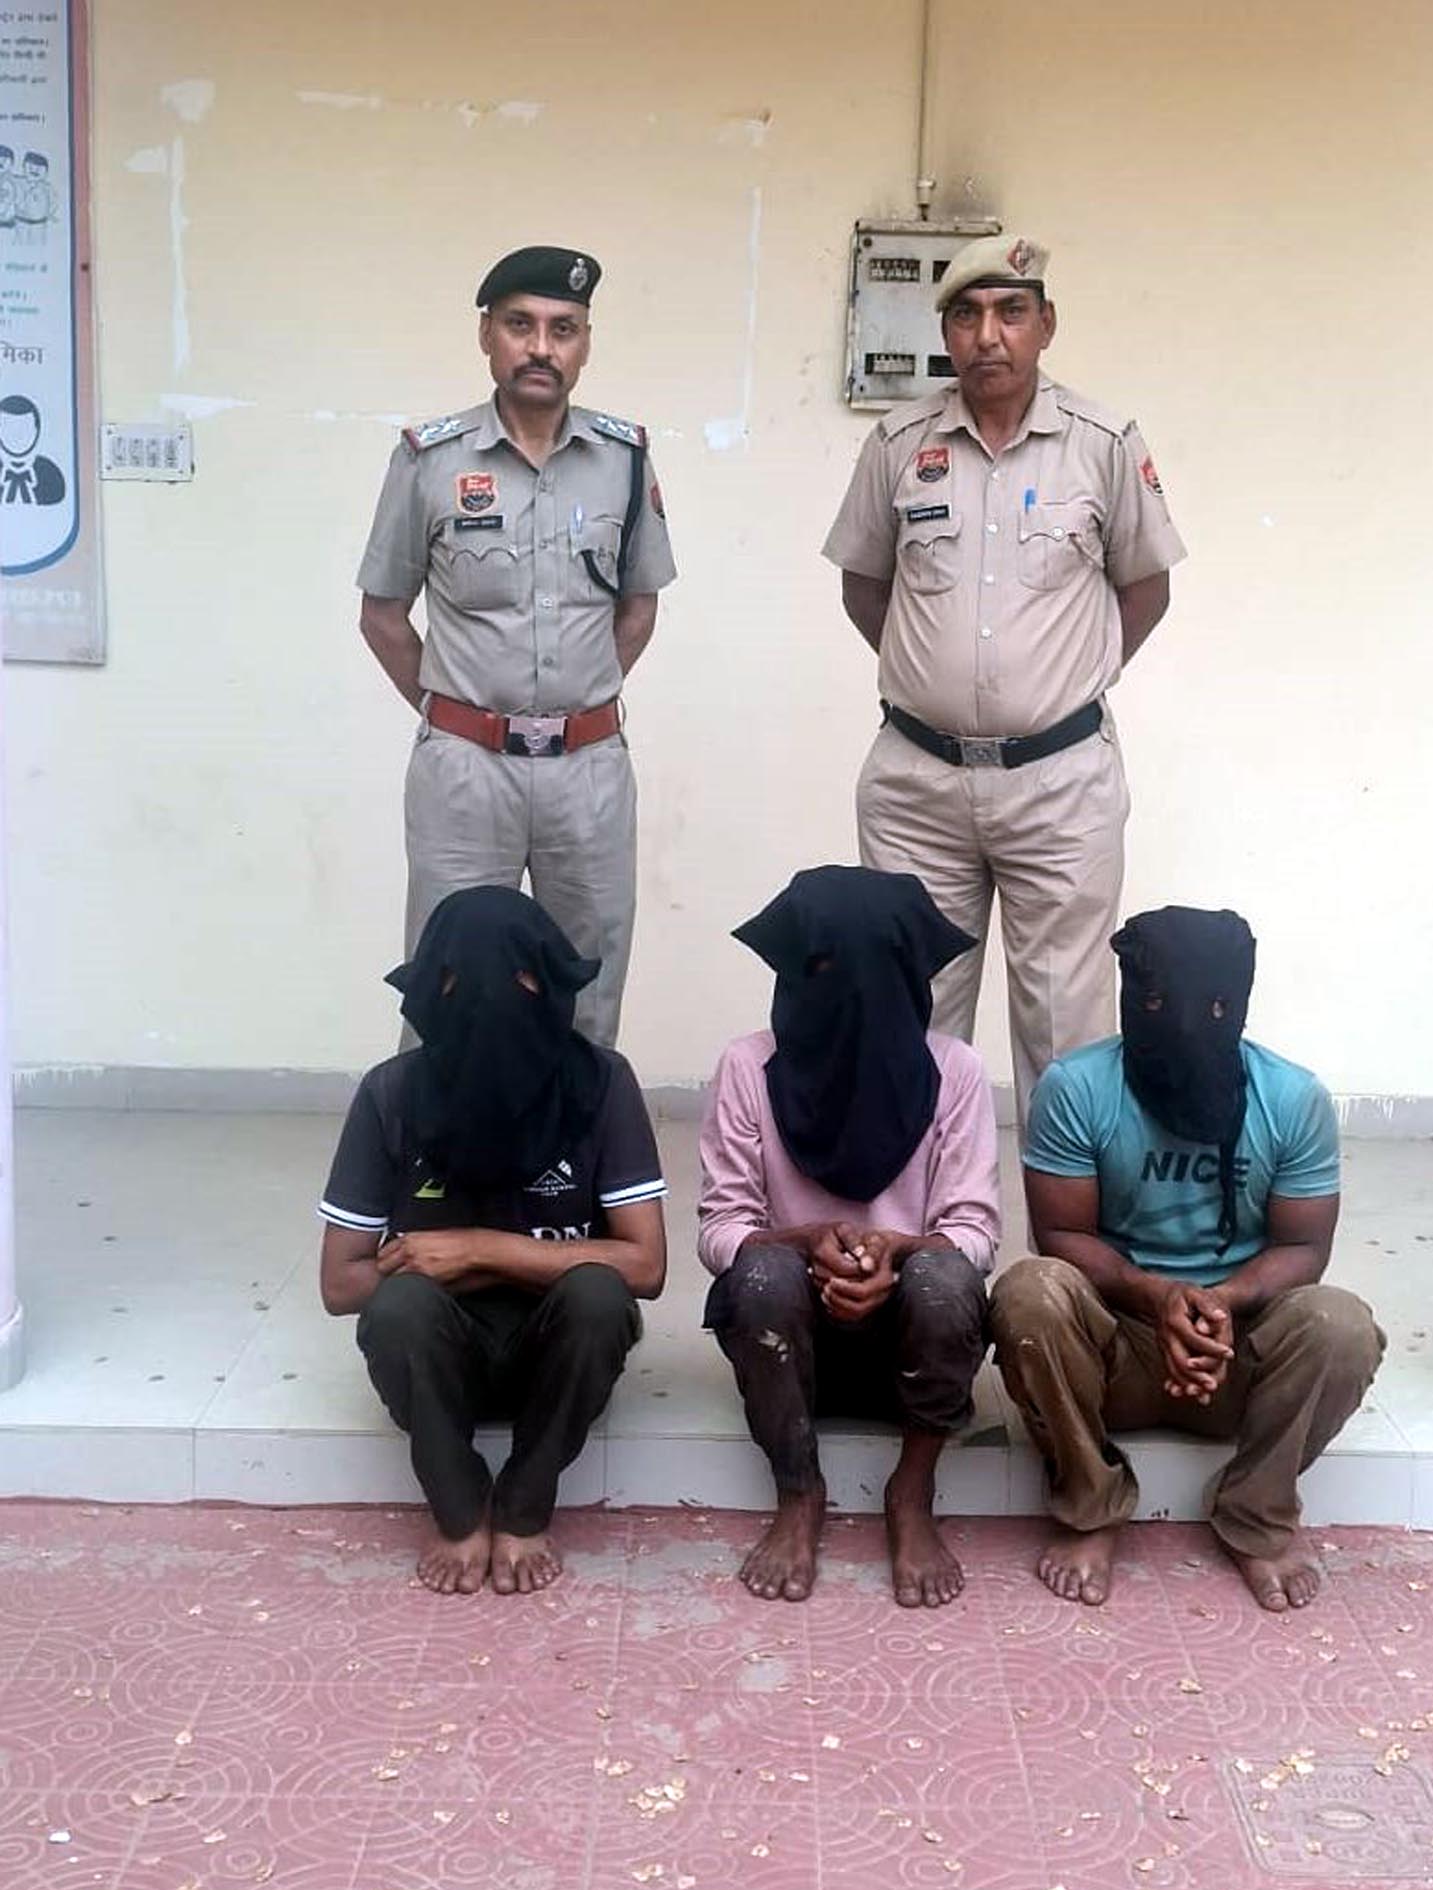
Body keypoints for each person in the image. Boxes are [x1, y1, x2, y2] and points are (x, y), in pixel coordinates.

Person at [823, 231, 1186, 1134]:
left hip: (1059, 787)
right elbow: (865, 587)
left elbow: (1145, 588)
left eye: (1010, 312)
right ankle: (921, 1220)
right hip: (918, 787)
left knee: (1065, 1032)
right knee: (909, 1020)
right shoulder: (898, 444)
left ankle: (1064, 1228)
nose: (988, 335)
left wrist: (1062, 687)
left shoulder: (1102, 444)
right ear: (945, 332)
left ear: (1044, 325)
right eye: (967, 315)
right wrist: (933, 683)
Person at [988, 906, 1385, 1612]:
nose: (1179, 1024)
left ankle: (1257, 1515)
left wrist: (1220, 1303)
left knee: (1341, 1325)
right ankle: (1091, 1504)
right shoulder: (1077, 1087)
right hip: (1115, 1342)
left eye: (1211, 1007)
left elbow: (1303, 1247)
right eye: (1151, 1003)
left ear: (1236, 1004)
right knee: (1029, 1292)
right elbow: (1060, 1234)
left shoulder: (1291, 1097)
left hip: (1237, 1347)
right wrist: (1158, 1297)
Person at [357, 245, 676, 1048]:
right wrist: (457, 711)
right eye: (519, 325)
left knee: (588, 986)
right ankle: (435, 1133)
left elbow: (639, 606)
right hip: (465, 775)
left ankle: (577, 1130)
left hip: (589, 772)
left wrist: (576, 700)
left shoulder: (624, 460)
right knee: (447, 982)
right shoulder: (429, 460)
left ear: (585, 343)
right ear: (485, 335)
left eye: (562, 329)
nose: (540, 347)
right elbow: (383, 615)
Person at [317, 886, 667, 1595]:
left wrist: (479, 1251)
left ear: (549, 984)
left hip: (557, 1354)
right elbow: (340, 1283)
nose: (491, 997)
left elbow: (645, 1266)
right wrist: (433, 1274)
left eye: (520, 977)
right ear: (431, 993)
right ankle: (458, 1510)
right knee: (399, 1308)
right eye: (459, 980)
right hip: (440, 1360)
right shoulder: (392, 1093)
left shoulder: (601, 1083)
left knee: (598, 1298)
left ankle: (524, 1507)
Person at [699, 865, 1000, 1608]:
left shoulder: (955, 1070)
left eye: (877, 969)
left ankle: (912, 1489)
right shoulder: (747, 1065)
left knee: (946, 1277)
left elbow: (974, 1233)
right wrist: (803, 1241)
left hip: (910, 1336)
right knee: (760, 1272)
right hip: (791, 1337)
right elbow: (721, 1228)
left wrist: (898, 1252)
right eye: (827, 968)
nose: (854, 990)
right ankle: (799, 1491)